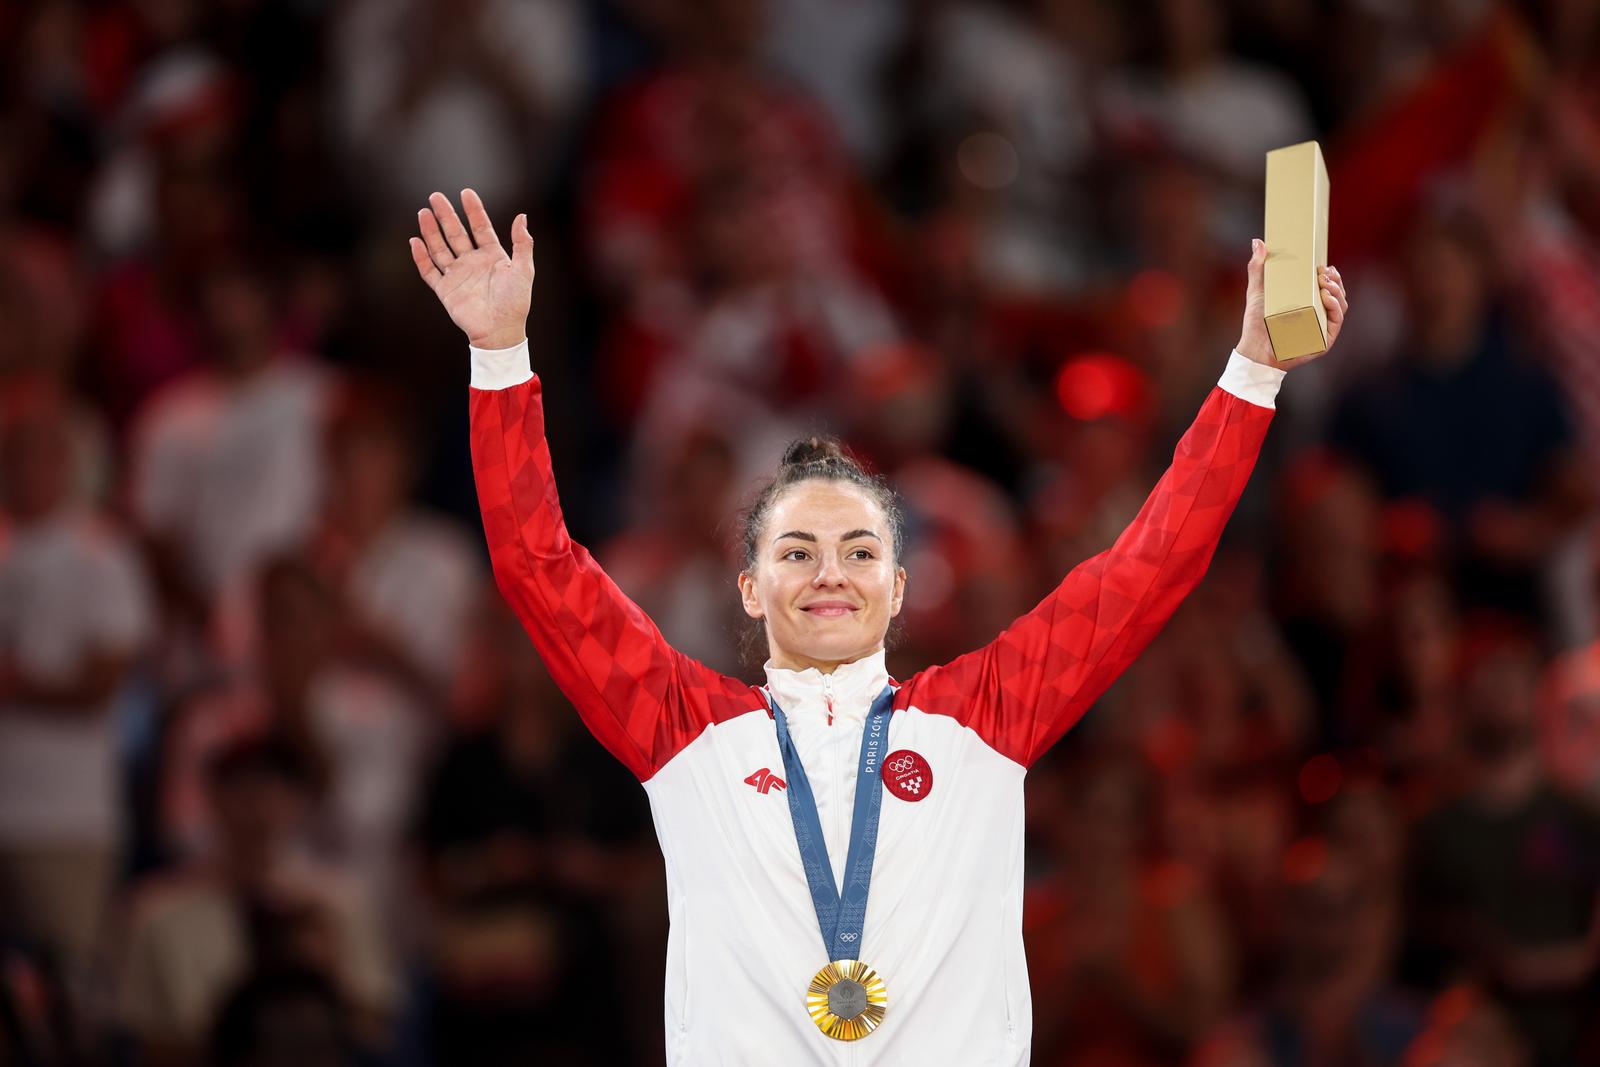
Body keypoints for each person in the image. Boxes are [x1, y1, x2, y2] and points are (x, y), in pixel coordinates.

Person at [408, 188, 1348, 1063]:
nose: (829, 573)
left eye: (859, 551)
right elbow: (540, 568)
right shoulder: (684, 731)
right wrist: (499, 357)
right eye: (797, 550)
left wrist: (1253, 373)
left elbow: (1150, 566)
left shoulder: (983, 715)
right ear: (747, 587)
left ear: (901, 587)